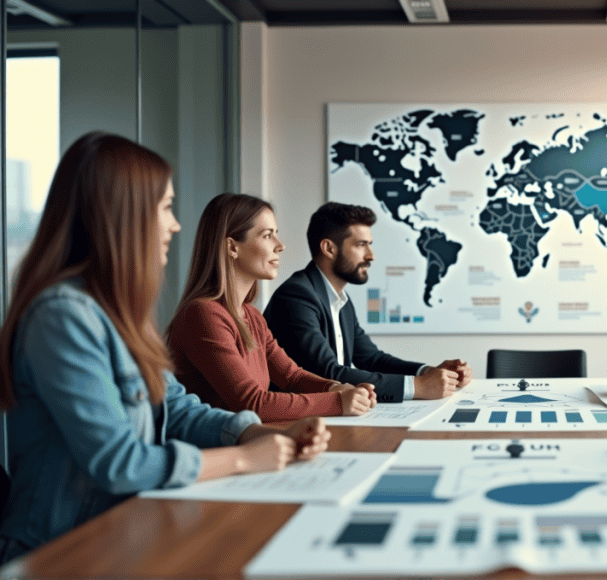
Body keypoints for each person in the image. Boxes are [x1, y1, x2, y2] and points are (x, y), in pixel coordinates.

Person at [0, 133, 331, 564]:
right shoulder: (62, 317)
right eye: (166, 208)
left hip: (126, 533)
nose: (175, 225)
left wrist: (258, 433)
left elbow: (175, 407)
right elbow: (119, 462)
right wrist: (243, 459)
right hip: (62, 553)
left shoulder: (123, 314)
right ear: (125, 215)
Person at [167, 194, 376, 422]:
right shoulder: (203, 314)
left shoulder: (252, 316)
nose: (280, 246)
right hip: (214, 452)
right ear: (232, 247)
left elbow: (292, 377)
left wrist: (338, 388)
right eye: (267, 235)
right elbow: (252, 403)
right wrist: (339, 402)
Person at [263, 202, 472, 403]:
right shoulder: (296, 296)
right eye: (361, 245)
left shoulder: (339, 299)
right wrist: (418, 387)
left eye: (369, 245)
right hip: (295, 425)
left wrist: (429, 372)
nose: (371, 256)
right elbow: (327, 373)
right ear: (328, 248)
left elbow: (372, 359)